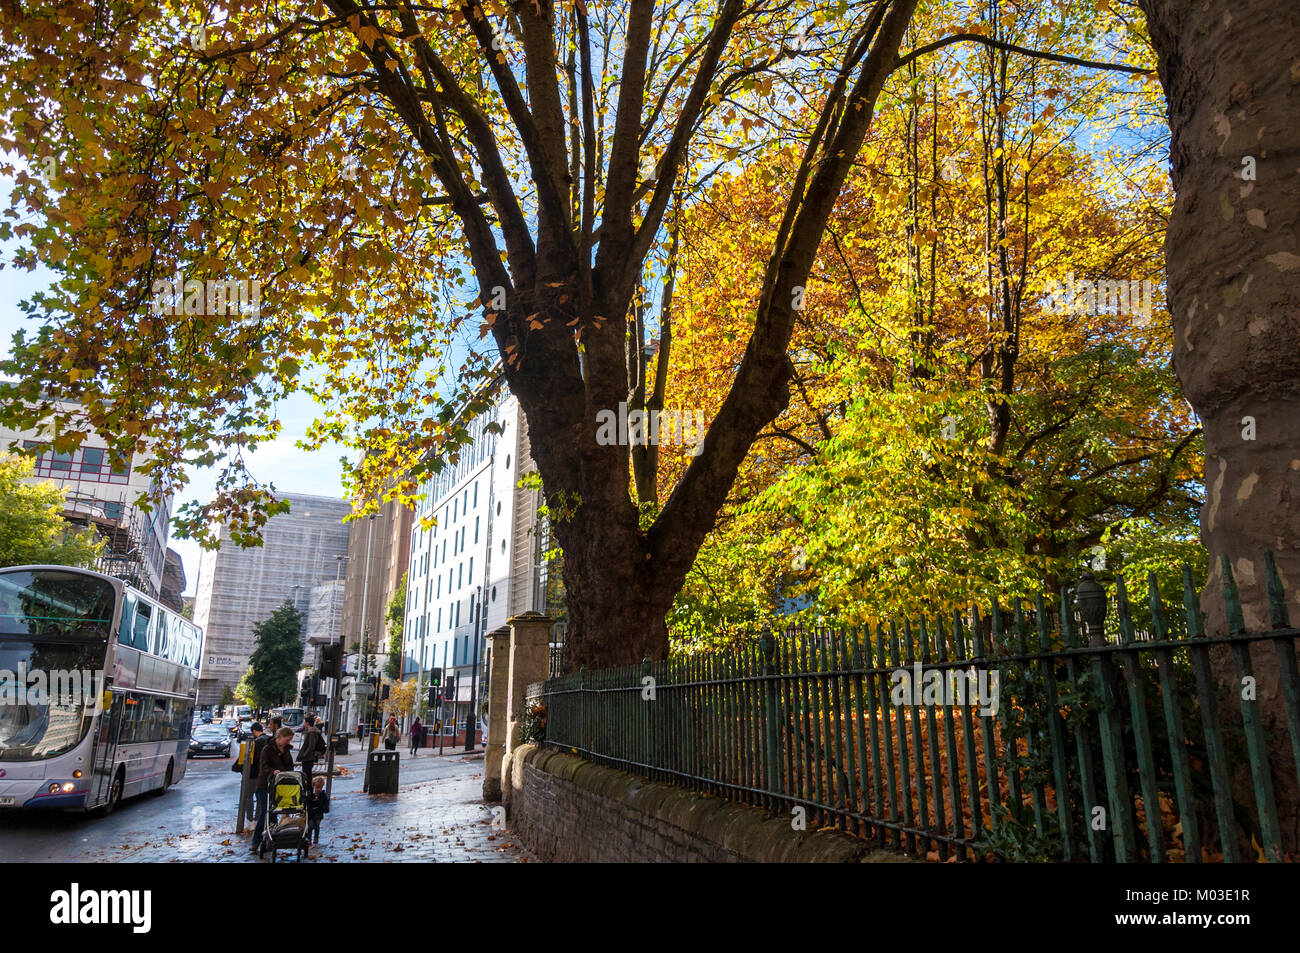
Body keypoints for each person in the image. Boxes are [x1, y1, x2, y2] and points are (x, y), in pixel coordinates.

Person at [252, 727, 296, 852]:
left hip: (279, 786)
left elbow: (289, 766)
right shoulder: (267, 749)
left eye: (290, 740)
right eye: (287, 740)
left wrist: (288, 775)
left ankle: (271, 839)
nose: (288, 743)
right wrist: (273, 771)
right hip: (264, 785)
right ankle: (256, 841)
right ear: (279, 737)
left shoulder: (286, 750)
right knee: (265, 812)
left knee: (273, 813)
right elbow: (264, 766)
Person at [298, 715, 323, 787]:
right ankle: (309, 790)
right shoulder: (311, 731)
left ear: (307, 723)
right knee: (307, 775)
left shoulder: (312, 733)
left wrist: (304, 755)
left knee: (307, 776)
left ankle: (309, 791)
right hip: (309, 757)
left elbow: (311, 746)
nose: (304, 724)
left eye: (304, 722)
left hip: (308, 758)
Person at [304, 775, 330, 845]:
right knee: (310, 826)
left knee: (317, 826)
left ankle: (316, 838)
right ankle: (309, 838)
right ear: (313, 787)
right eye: (317, 787)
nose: (319, 789)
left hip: (319, 813)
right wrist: (309, 809)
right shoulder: (310, 795)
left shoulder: (323, 795)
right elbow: (307, 804)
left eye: (320, 788)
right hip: (311, 814)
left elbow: (326, 803)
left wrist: (325, 808)